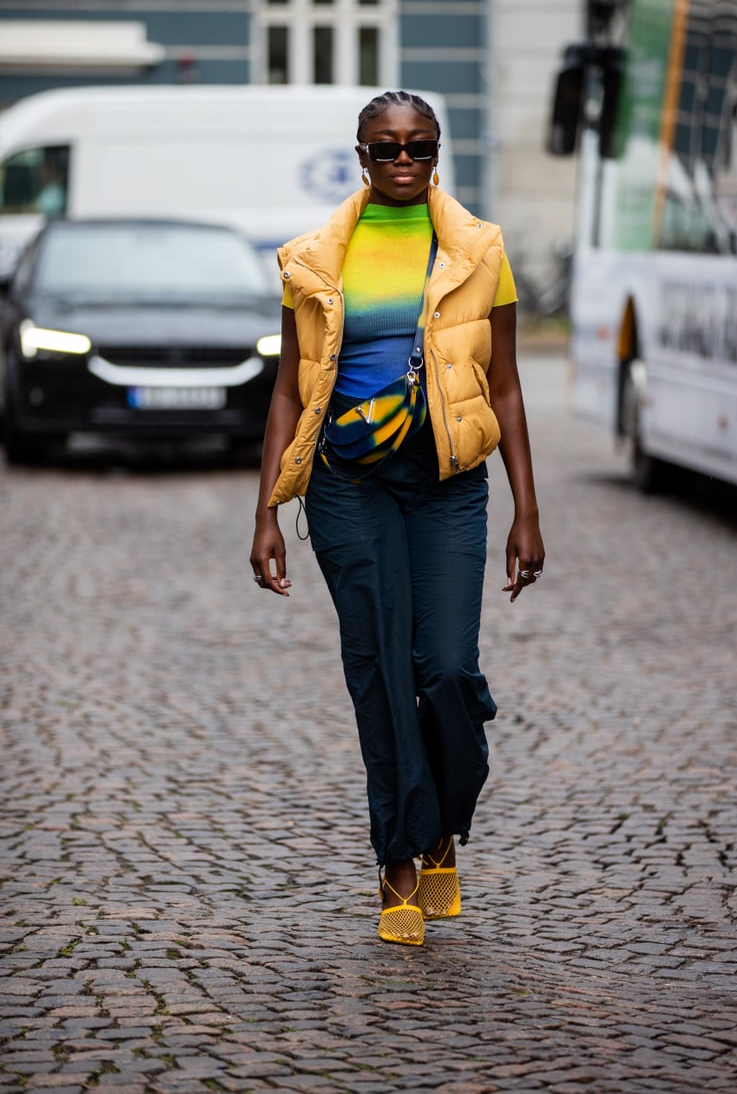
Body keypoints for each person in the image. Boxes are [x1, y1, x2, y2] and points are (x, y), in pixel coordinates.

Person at [250, 90, 544, 947]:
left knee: (446, 668)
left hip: (451, 482)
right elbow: (284, 391)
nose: (404, 160)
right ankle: (400, 863)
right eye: (387, 148)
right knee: (380, 668)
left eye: (420, 146)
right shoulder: (313, 259)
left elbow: (509, 386)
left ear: (438, 150)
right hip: (350, 485)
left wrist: (528, 508)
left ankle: (446, 820)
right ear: (362, 155)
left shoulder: (480, 249)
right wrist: (270, 511)